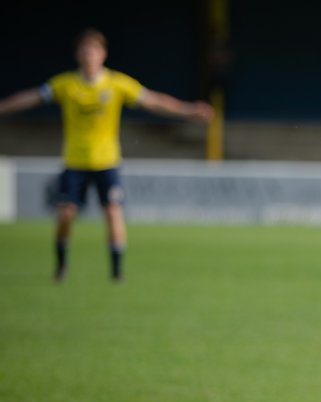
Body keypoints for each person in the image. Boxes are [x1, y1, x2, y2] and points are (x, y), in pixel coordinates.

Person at [0, 29, 213, 282]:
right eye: (85, 51)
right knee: (66, 214)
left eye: (94, 51)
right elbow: (32, 97)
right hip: (75, 161)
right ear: (78, 55)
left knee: (113, 211)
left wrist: (188, 110)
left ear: (103, 54)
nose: (90, 56)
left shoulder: (117, 84)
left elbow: (154, 101)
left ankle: (117, 272)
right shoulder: (66, 85)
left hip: (107, 161)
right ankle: (61, 265)